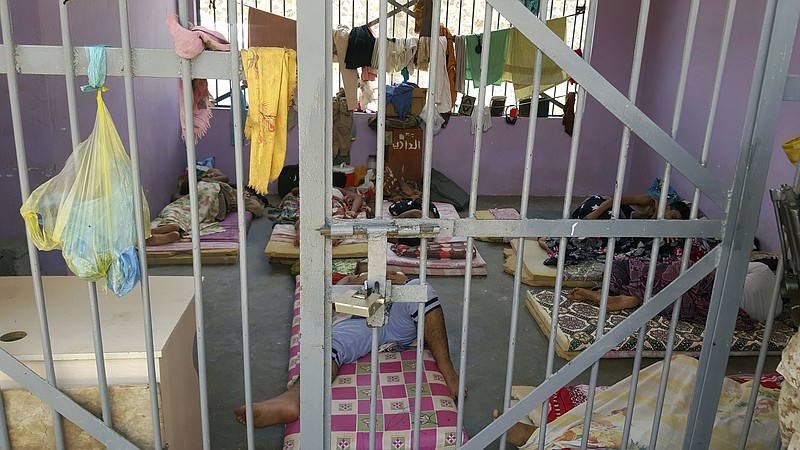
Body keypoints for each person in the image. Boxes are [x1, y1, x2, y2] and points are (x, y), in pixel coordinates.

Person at [233, 268, 461, 428]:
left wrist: (395, 282)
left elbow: (407, 288)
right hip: (356, 320)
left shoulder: (401, 282)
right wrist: (358, 284)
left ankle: (448, 371)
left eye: (392, 271)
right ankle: (292, 399)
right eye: (367, 270)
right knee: (327, 348)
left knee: (420, 288)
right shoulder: (350, 281)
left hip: (393, 317)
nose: (386, 272)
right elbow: (329, 301)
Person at [563, 255, 777, 331]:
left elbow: (722, 270)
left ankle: (614, 291)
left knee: (628, 263)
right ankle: (628, 295)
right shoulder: (773, 313)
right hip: (705, 304)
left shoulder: (762, 269)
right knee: (667, 293)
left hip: (705, 283)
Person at [147, 168, 264, 246]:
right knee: (193, 211)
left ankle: (171, 225)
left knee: (181, 209)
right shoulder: (213, 175)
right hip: (209, 193)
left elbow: (175, 198)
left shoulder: (204, 183)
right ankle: (172, 227)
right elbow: (225, 178)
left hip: (196, 196)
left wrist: (181, 185)